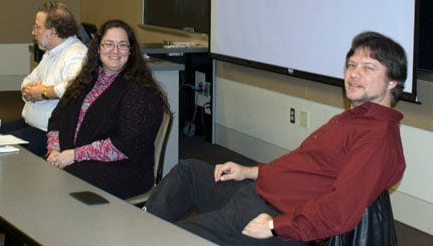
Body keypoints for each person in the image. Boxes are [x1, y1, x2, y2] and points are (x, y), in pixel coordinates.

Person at [144, 31, 407, 245]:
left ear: (392, 81)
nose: (353, 74)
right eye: (351, 65)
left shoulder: (377, 138)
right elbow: (302, 168)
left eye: (368, 68)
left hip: (271, 216)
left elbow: (341, 210)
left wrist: (273, 226)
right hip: (256, 193)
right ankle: (140, 225)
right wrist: (248, 172)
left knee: (178, 238)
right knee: (190, 171)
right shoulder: (355, 118)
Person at [46, 19, 169, 199]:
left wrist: (76, 155)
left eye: (122, 45)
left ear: (131, 51)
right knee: (45, 173)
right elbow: (57, 118)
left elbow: (126, 144)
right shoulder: (87, 79)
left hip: (124, 169)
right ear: (98, 48)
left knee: (65, 181)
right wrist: (55, 151)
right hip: (75, 158)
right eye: (108, 44)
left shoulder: (140, 90)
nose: (115, 51)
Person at [3, 2, 87, 156]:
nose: (33, 32)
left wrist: (43, 92)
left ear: (52, 32)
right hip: (31, 124)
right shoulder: (51, 52)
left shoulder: (76, 54)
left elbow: (77, 88)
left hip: (49, 134)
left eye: (37, 27)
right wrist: (28, 90)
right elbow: (29, 79)